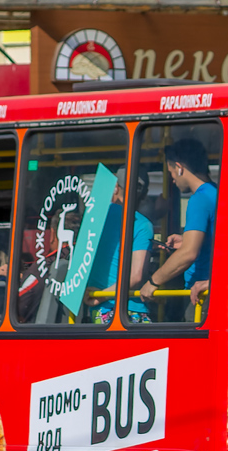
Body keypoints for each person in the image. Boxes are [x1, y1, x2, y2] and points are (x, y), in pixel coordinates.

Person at [140, 139, 216, 310]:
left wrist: (153, 281)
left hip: (200, 297)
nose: (172, 180)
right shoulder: (216, 192)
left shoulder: (199, 199)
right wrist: (186, 239)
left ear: (180, 168)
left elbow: (189, 253)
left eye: (171, 173)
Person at [86, 167, 153, 324]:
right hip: (129, 310)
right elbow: (136, 276)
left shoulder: (95, 216)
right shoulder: (143, 225)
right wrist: (103, 294)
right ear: (144, 193)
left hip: (99, 307)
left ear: (116, 187)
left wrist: (98, 295)